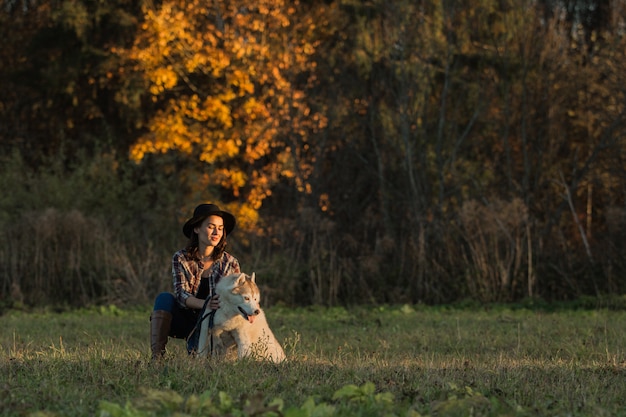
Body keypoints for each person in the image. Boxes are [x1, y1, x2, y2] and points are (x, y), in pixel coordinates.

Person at [150, 203, 240, 360]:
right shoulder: (181, 258)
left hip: (215, 321)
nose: (216, 232)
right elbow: (181, 294)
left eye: (220, 228)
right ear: (197, 229)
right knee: (164, 298)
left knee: (197, 359)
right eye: (211, 226)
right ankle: (157, 358)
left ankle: (213, 350)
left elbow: (235, 299)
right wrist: (205, 303)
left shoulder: (230, 263)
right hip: (187, 318)